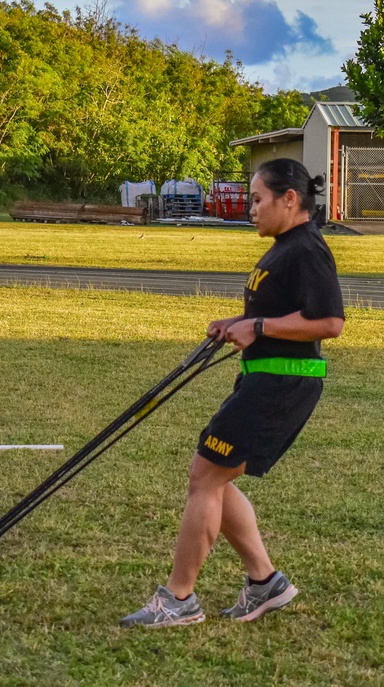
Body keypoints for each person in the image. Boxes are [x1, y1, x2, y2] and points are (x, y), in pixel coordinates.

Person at [121, 158, 345, 628]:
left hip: (284, 382)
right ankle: (265, 582)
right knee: (212, 475)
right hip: (264, 375)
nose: (251, 209)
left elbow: (329, 322)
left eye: (258, 199)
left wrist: (258, 325)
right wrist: (238, 324)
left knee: (205, 475)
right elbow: (278, 314)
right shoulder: (285, 247)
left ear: (290, 199)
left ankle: (179, 599)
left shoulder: (306, 248)